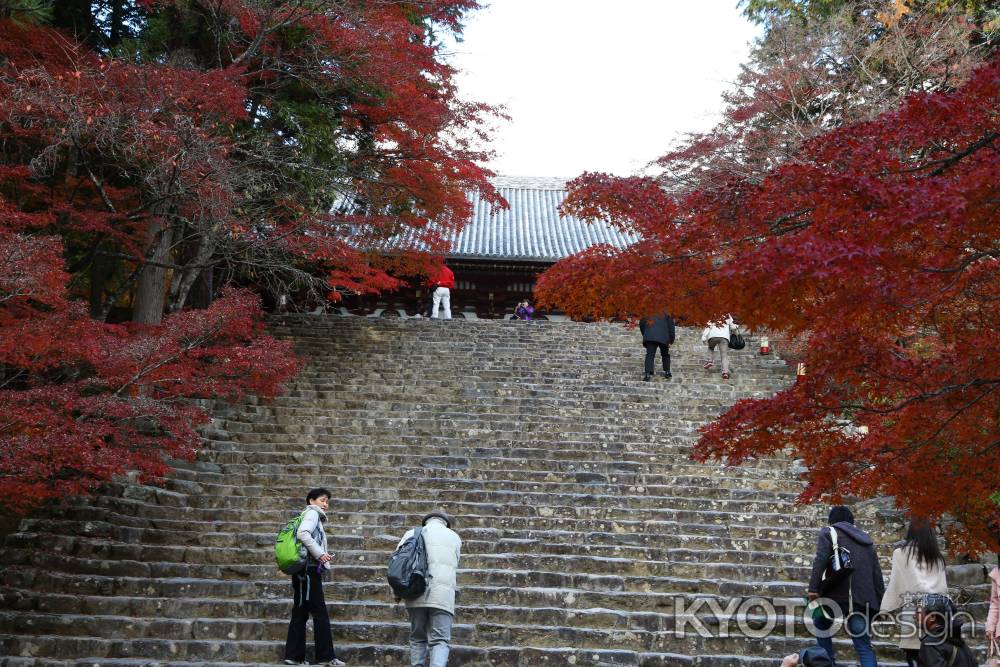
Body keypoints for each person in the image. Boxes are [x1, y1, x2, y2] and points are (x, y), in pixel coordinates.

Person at [807, 505, 885, 667]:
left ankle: (828, 663)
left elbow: (820, 559)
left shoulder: (829, 532)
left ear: (832, 520)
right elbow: (876, 574)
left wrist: (813, 588)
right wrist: (880, 603)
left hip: (835, 596)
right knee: (863, 646)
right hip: (862, 600)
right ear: (851, 521)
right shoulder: (866, 540)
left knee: (821, 626)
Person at [283, 488, 346, 666]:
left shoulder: (309, 514)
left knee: (301, 611)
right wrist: (320, 554)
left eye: (327, 501)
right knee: (320, 613)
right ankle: (326, 657)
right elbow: (303, 533)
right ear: (311, 501)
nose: (325, 504)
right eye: (322, 500)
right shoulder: (312, 514)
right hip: (308, 571)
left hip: (303, 572)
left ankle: (294, 656)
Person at [880, 519, 948, 667]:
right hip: (936, 614)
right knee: (935, 657)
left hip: (914, 612)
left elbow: (895, 584)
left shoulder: (901, 553)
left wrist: (885, 609)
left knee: (914, 655)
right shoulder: (938, 557)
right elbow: (944, 589)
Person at [397, 509, 461, 667]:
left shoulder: (412, 533)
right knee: (440, 640)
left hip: (416, 592)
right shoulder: (454, 537)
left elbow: (398, 564)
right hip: (443, 596)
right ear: (445, 522)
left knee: (417, 638)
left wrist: (398, 591)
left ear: (426, 521)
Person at [916, 593, 978, 667]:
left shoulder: (930, 644)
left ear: (932, 617)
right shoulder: (958, 641)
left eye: (918, 612)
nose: (914, 615)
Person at [639, 313, 675, 381]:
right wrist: (671, 340)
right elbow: (671, 327)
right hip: (664, 336)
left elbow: (641, 323)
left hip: (650, 336)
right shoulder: (666, 312)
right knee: (665, 354)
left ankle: (647, 374)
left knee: (650, 355)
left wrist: (646, 334)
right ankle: (667, 372)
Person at [701, 314, 735, 380]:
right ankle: (725, 372)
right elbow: (733, 327)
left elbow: (708, 326)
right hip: (724, 338)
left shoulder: (713, 314)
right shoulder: (728, 315)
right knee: (724, 356)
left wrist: (704, 336)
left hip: (713, 336)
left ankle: (710, 361)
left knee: (710, 348)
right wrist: (736, 326)